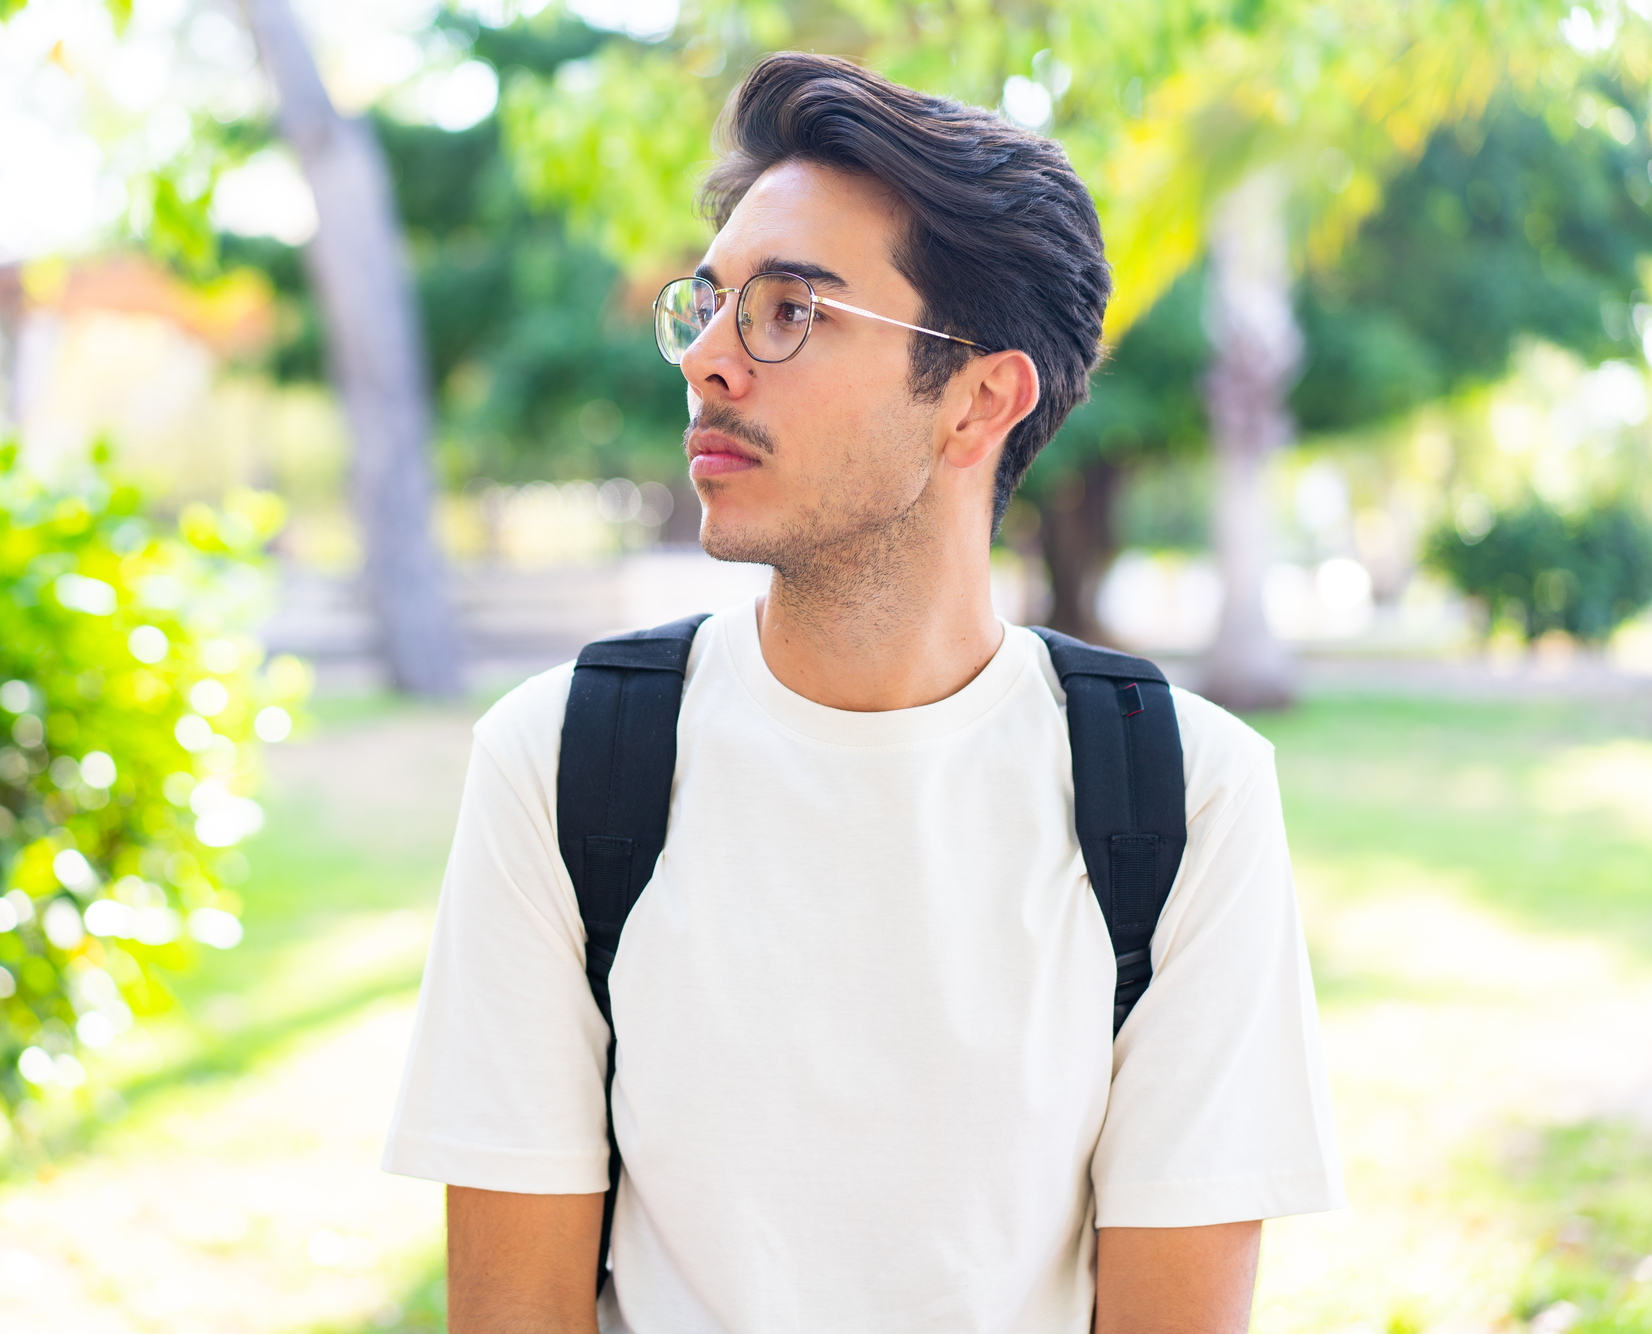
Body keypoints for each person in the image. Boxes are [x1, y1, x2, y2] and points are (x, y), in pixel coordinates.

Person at [384, 51, 1344, 1334]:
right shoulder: (565, 758)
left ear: (977, 398)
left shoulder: (1182, 795)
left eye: (788, 311)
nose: (708, 361)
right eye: (709, 303)